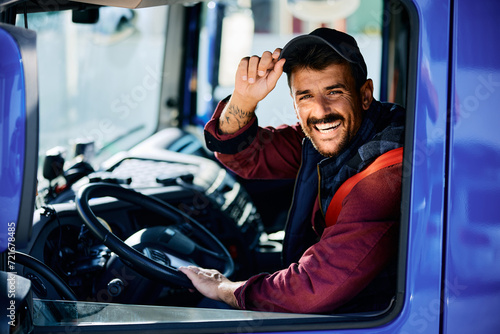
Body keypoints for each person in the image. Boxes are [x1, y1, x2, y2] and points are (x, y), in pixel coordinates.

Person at [180, 28, 405, 314]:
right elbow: (246, 156)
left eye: (334, 92)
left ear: (365, 94)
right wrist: (243, 99)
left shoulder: (386, 174)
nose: (321, 111)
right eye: (306, 96)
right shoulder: (330, 134)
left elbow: (312, 289)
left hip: (366, 317)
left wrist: (225, 289)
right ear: (295, 105)